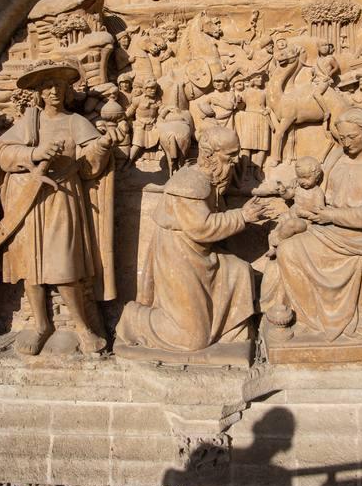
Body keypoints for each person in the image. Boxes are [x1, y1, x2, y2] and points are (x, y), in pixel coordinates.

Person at [0, 60, 115, 355]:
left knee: (64, 263)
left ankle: (83, 327)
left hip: (62, 199)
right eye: (48, 86)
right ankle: (41, 325)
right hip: (29, 200)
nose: (55, 91)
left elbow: (89, 165)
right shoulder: (29, 122)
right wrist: (35, 152)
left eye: (60, 85)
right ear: (40, 93)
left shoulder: (75, 122)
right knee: (31, 265)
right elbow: (2, 153)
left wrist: (104, 146)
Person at [115, 127, 269, 353]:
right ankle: (133, 319)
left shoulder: (209, 178)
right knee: (192, 339)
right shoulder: (189, 183)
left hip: (201, 253)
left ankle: (229, 333)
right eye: (230, 156)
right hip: (179, 256)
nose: (235, 162)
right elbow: (202, 227)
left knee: (239, 272)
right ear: (210, 155)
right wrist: (243, 216)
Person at [260, 107, 362, 341]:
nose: (347, 143)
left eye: (352, 137)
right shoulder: (338, 163)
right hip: (330, 230)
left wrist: (333, 216)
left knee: (290, 249)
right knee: (287, 247)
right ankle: (308, 317)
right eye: (343, 138)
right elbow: (318, 194)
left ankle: (322, 320)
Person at [266, 157, 325, 259]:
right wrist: (283, 191)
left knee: (292, 224)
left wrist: (303, 213)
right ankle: (271, 248)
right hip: (290, 214)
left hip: (304, 221)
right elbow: (289, 196)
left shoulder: (317, 192)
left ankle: (276, 242)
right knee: (277, 223)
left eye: (307, 178)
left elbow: (320, 213)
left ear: (317, 177)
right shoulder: (298, 187)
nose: (302, 181)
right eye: (300, 177)